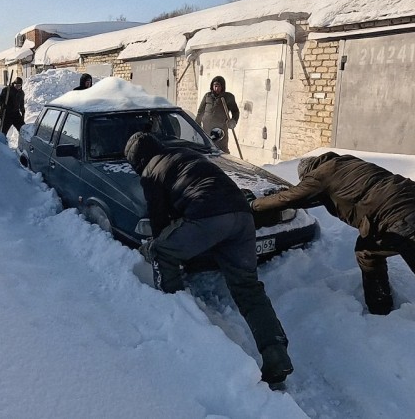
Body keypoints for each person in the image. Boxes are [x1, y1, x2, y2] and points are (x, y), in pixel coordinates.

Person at [125, 131, 293, 385]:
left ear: (136, 160)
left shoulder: (150, 172)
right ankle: (276, 353)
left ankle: (176, 314)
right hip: (242, 217)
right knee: (248, 288)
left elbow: (160, 223)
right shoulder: (186, 154)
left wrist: (163, 245)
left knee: (162, 251)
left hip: (208, 217)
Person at [251, 152, 415, 315]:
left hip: (405, 219)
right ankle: (380, 307)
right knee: (367, 251)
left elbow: (289, 198)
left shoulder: (321, 175)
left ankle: (381, 308)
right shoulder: (348, 163)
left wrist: (254, 204)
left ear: (308, 173)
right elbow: (317, 197)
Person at [196, 75, 239, 153]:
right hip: (207, 128)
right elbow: (200, 111)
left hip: (221, 129)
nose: (216, 88)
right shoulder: (207, 96)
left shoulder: (228, 97)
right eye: (215, 86)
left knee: (221, 150)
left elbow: (235, 111)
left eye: (218, 86)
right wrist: (197, 124)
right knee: (207, 148)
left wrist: (233, 121)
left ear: (222, 86)